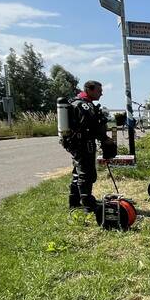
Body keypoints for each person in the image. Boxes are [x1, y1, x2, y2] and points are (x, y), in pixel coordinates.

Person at [63, 80, 116, 212]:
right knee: (86, 174)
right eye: (99, 91)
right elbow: (91, 127)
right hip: (83, 143)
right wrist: (105, 139)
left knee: (78, 171)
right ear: (89, 89)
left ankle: (74, 202)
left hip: (75, 143)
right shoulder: (84, 105)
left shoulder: (77, 102)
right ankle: (88, 204)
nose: (101, 93)